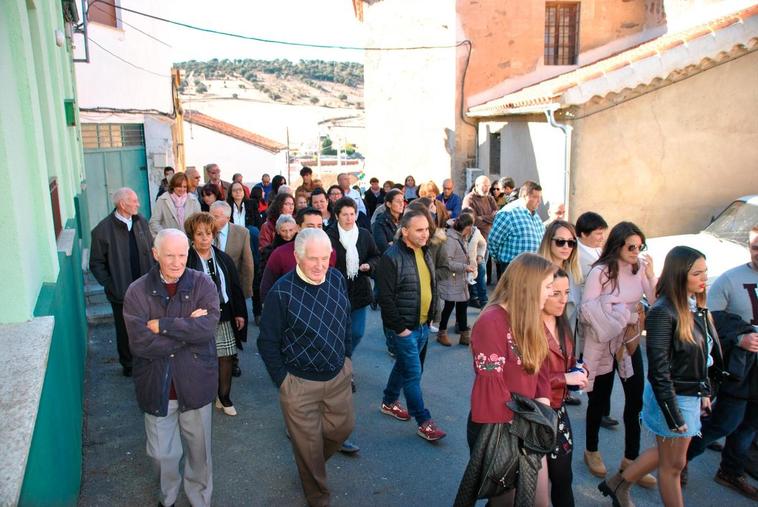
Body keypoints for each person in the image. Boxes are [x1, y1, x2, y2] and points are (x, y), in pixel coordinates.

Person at [598, 246, 720, 507]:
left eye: (705, 271)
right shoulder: (664, 311)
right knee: (673, 466)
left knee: (672, 458)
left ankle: (617, 484)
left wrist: (705, 390)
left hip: (688, 394)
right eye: (697, 273)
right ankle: (618, 485)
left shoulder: (695, 306)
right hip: (672, 397)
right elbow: (659, 370)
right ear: (679, 275)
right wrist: (673, 412)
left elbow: (702, 357)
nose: (704, 278)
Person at [258, 228, 355, 507]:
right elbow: (267, 342)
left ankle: (309, 464)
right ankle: (317, 496)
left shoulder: (336, 279)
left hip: (338, 375)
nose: (320, 265)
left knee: (342, 429)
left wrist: (347, 358)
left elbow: (345, 319)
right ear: (297, 256)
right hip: (298, 383)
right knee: (309, 448)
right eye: (313, 258)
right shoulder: (281, 292)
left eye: (325, 257)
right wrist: (284, 381)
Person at [123, 229, 220, 507]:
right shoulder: (137, 291)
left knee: (199, 454)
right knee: (160, 455)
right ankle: (168, 498)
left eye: (182, 255)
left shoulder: (203, 284)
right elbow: (141, 343)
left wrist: (164, 326)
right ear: (155, 254)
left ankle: (199, 499)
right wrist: (187, 328)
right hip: (157, 386)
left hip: (196, 384)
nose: (177, 262)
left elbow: (207, 328)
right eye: (169, 255)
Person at [467, 253, 557, 506]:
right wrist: (524, 429)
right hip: (499, 428)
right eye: (548, 286)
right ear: (528, 286)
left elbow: (541, 368)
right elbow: (491, 388)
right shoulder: (491, 321)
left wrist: (542, 409)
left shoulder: (530, 317)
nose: (551, 293)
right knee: (504, 501)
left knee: (538, 500)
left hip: (526, 423)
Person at [580, 221, 658, 488]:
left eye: (640, 246)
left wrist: (650, 275)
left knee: (635, 400)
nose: (636, 251)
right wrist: (620, 315)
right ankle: (591, 450)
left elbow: (655, 301)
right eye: (631, 246)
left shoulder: (639, 269)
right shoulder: (600, 272)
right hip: (603, 342)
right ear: (618, 245)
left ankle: (630, 460)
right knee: (599, 400)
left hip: (629, 343)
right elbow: (587, 309)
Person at [686, 226, 758, 500]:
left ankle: (731, 470)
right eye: (754, 246)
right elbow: (709, 322)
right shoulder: (730, 279)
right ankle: (679, 461)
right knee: (723, 423)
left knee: (751, 425)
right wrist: (738, 338)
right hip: (740, 369)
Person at [376, 208, 446, 441]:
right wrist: (401, 329)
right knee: (413, 374)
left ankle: (388, 401)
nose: (425, 234)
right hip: (405, 329)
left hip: (423, 326)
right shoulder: (391, 257)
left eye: (427, 229)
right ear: (404, 231)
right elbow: (384, 298)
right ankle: (423, 420)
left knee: (404, 367)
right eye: (419, 230)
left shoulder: (425, 251)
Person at [185, 213, 247, 417]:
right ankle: (204, 396)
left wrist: (239, 313)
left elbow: (235, 288)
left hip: (225, 313)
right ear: (192, 236)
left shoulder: (223, 258)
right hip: (199, 317)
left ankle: (224, 396)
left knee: (226, 356)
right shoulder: (186, 260)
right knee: (200, 358)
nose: (204, 238)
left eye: (208, 233)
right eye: (199, 234)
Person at [89, 187, 154, 377]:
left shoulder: (141, 221)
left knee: (149, 324)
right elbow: (96, 263)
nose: (138, 204)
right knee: (125, 329)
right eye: (134, 201)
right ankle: (129, 364)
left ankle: (149, 359)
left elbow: (150, 250)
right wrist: (111, 284)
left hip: (146, 287)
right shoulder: (102, 230)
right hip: (121, 291)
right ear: (122, 204)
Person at [543, 269, 588, 507]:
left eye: (567, 293)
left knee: (563, 479)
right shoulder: (526, 327)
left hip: (558, 412)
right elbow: (524, 380)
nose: (563, 299)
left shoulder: (562, 322)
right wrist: (564, 378)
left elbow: (569, 361)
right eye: (555, 293)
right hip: (533, 414)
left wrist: (580, 369)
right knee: (517, 487)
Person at [538, 220, 584, 406]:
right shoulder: (537, 271)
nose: (566, 246)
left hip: (563, 345)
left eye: (571, 242)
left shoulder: (573, 273)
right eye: (560, 241)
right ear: (549, 241)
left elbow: (571, 317)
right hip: (540, 343)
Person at [326, 197, 381, 353]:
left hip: (359, 290)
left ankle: (345, 359)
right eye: (345, 214)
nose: (349, 218)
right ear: (337, 216)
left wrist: (369, 265)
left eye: (352, 214)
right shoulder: (329, 236)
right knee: (337, 333)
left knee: (357, 332)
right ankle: (340, 363)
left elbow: (376, 255)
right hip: (335, 292)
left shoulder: (364, 234)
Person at [209, 201, 254, 377]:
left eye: (218, 216)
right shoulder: (204, 231)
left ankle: (233, 360)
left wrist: (245, 290)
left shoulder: (241, 233)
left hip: (232, 289)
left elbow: (247, 263)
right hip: (209, 290)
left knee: (234, 325)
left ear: (228, 217)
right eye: (212, 215)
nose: (213, 219)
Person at [260, 208, 336, 300]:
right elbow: (266, 288)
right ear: (298, 228)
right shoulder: (280, 254)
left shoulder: (330, 252)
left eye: (319, 226)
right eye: (310, 226)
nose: (315, 230)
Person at [487, 180, 548, 281]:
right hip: (513, 269)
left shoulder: (535, 215)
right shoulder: (508, 213)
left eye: (540, 197)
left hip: (535, 269)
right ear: (524, 196)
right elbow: (493, 241)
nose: (539, 201)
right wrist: (499, 259)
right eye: (535, 197)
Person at [436, 213, 476, 346]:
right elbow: (447, 262)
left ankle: (464, 334)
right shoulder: (451, 239)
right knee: (449, 306)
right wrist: (465, 267)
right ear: (466, 226)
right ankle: (442, 332)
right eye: (471, 226)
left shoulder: (459, 236)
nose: (471, 229)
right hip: (452, 279)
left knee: (462, 305)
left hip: (459, 279)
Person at [462, 208, 488, 309]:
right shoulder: (458, 231)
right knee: (465, 287)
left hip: (476, 262)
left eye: (471, 220)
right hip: (462, 264)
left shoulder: (476, 233)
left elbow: (483, 244)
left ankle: (484, 303)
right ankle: (471, 299)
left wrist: (480, 256)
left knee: (480, 283)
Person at [372, 189, 404, 254]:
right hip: (390, 259)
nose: (402, 204)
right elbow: (384, 248)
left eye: (402, 201)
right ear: (389, 204)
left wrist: (393, 243)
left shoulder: (406, 219)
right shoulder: (380, 222)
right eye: (398, 201)